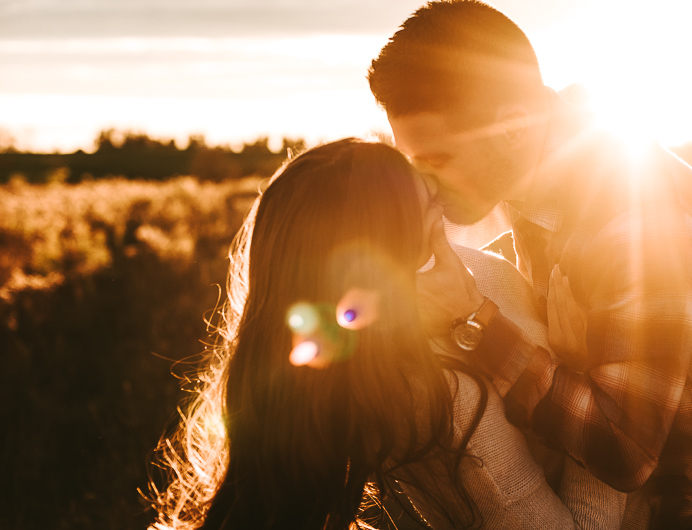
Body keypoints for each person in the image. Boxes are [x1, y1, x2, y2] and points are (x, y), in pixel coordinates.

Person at [366, 0, 692, 529]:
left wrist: (475, 321)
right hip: (669, 500)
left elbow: (626, 451)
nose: (425, 182)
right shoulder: (531, 170)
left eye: (436, 160)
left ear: (511, 127)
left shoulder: (642, 218)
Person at [147, 139, 626, 530]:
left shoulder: (475, 273)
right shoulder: (440, 392)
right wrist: (590, 372)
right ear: (386, 245)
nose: (440, 198)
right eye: (426, 206)